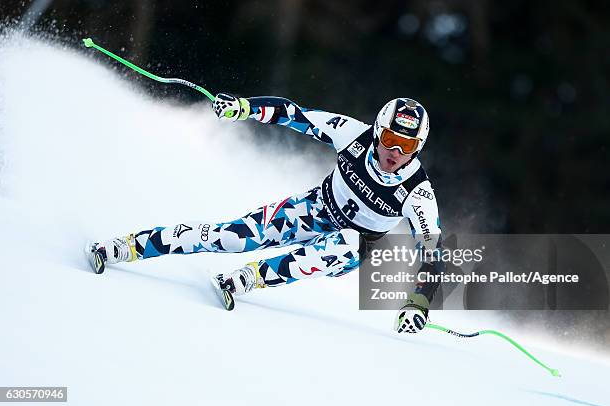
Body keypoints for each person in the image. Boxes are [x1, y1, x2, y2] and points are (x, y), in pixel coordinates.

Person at [86, 94, 444, 334]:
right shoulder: (353, 135)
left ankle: (249, 278)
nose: (395, 151)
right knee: (231, 237)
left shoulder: (418, 193)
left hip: (352, 244)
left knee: (349, 243)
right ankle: (127, 246)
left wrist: (418, 304)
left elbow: (433, 254)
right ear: (377, 130)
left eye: (408, 145)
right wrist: (243, 107)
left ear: (419, 147)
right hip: (315, 209)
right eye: (389, 138)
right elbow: (293, 114)